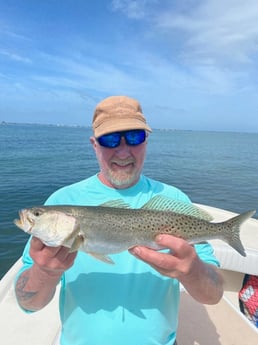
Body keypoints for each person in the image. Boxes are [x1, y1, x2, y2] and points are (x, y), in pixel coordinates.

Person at [15, 95, 224, 345]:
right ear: (94, 144)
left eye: (134, 137)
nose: (123, 151)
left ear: (147, 141)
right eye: (110, 139)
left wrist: (193, 271)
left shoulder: (173, 200)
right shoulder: (63, 198)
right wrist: (44, 272)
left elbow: (213, 295)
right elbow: (28, 302)